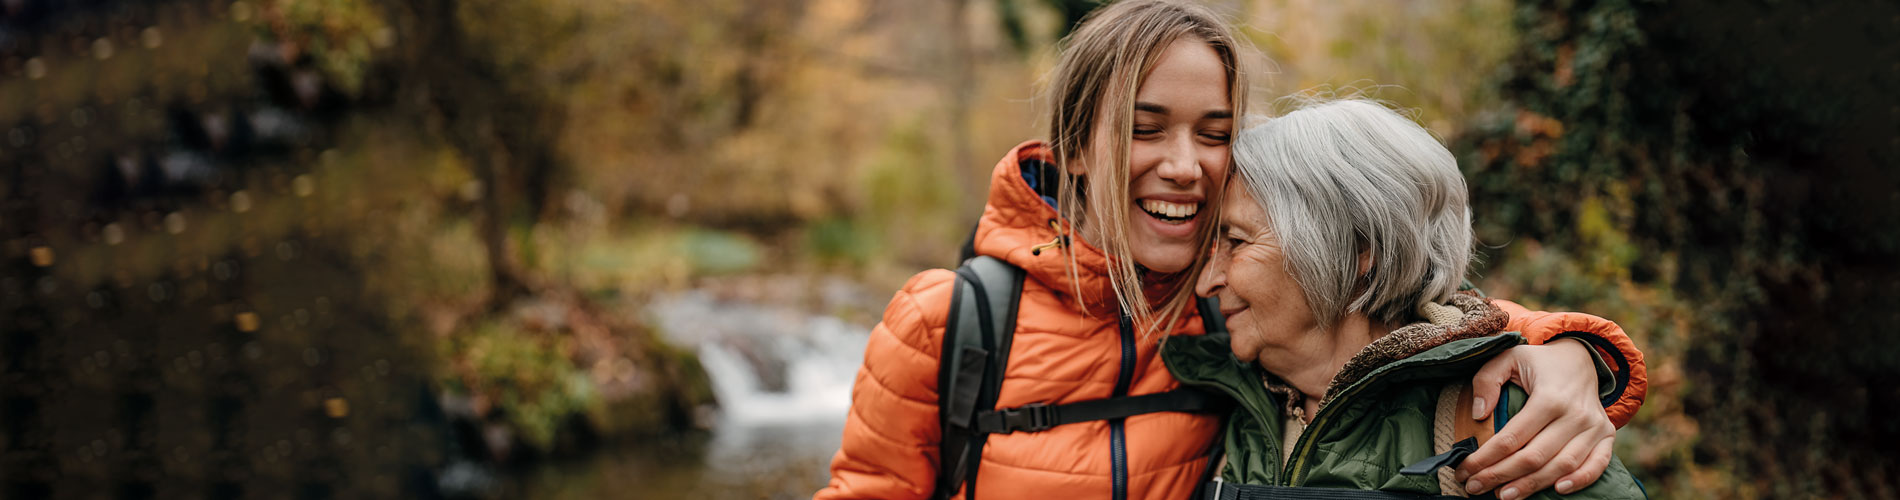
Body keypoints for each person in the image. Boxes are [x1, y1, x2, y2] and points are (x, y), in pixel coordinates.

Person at [815, 2, 1647, 499]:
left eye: (1214, 134)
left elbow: (1413, 318)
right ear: (1071, 145)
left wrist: (1566, 349)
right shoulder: (952, 319)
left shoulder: (1235, 307)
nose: (1183, 165)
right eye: (1144, 129)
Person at [1171, 98, 1646, 499]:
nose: (1206, 282)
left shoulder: (1507, 420)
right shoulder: (1232, 405)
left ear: (1356, 251)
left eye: (1236, 241)